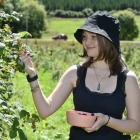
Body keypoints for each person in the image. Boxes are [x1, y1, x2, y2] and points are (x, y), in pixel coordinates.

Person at [20, 11, 140, 140]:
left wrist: (107, 120)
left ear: (108, 40)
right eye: (84, 37)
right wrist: (32, 75)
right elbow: (45, 111)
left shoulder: (128, 79)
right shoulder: (75, 73)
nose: (87, 42)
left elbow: (136, 125)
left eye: (93, 36)